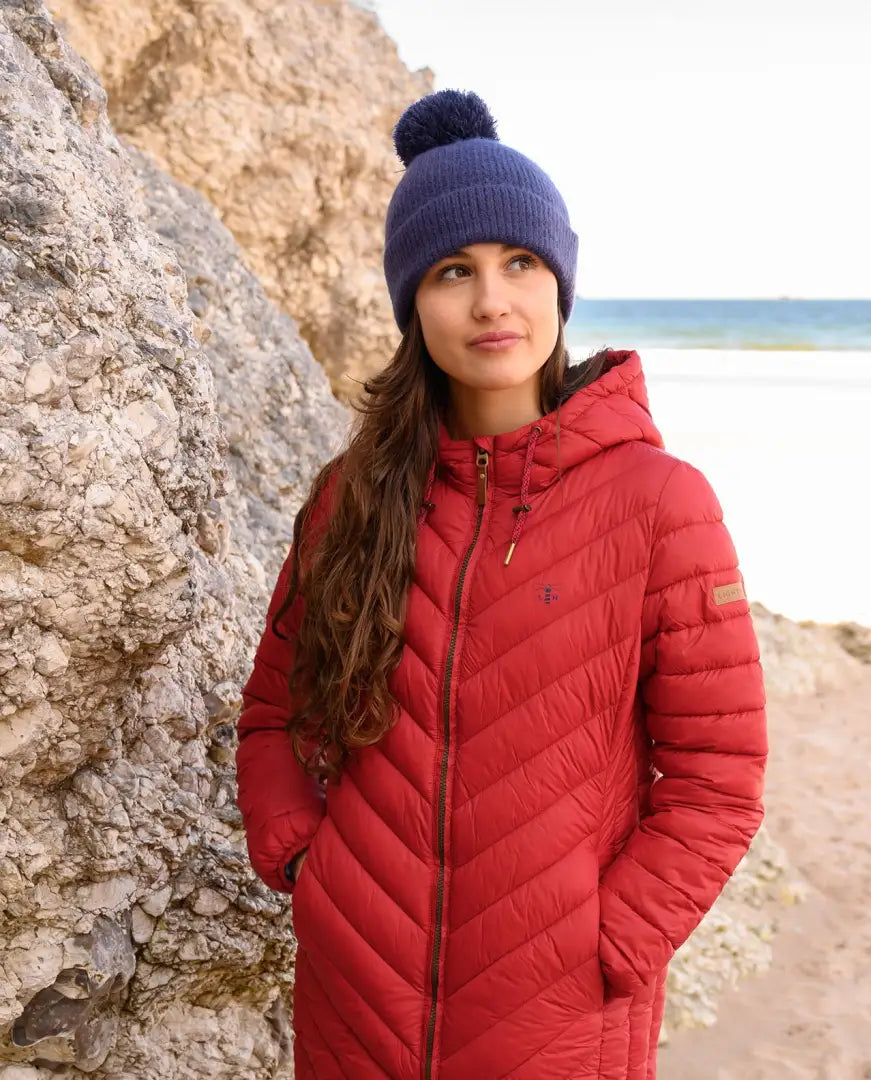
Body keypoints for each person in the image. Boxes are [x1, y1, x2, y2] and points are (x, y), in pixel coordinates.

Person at [236, 88, 768, 1080]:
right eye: (453, 271)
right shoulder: (350, 500)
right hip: (358, 1014)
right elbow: (272, 717)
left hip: (558, 1028)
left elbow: (717, 781)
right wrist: (310, 870)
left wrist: (608, 948)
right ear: (412, 303)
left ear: (559, 284)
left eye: (520, 263)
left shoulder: (661, 505)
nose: (491, 301)